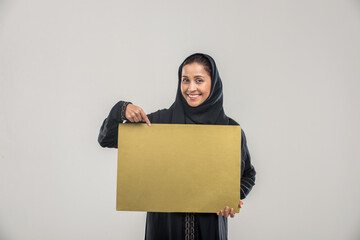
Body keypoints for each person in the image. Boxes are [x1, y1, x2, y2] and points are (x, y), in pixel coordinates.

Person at [98, 53, 256, 240]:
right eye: (185, 80)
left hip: (210, 229)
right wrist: (121, 109)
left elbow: (248, 174)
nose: (191, 88)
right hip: (164, 229)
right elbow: (107, 139)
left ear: (213, 84)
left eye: (199, 80)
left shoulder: (230, 129)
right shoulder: (158, 124)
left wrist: (231, 196)